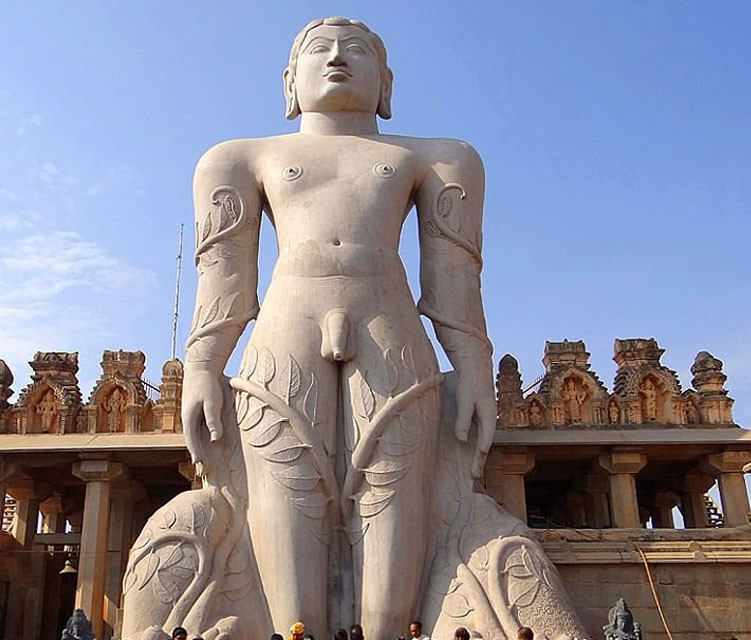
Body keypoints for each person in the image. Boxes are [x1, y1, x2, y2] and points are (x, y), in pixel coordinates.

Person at [183, 16, 496, 640]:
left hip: (388, 317)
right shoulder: (239, 158)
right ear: (288, 83)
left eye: (355, 50)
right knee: (283, 481)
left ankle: (388, 630)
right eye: (318, 50)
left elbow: (455, 281)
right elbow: (223, 280)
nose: (335, 58)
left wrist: (476, 367)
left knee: (394, 483)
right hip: (287, 321)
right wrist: (202, 367)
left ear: (386, 83)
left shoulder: (439, 157)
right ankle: (291, 630)